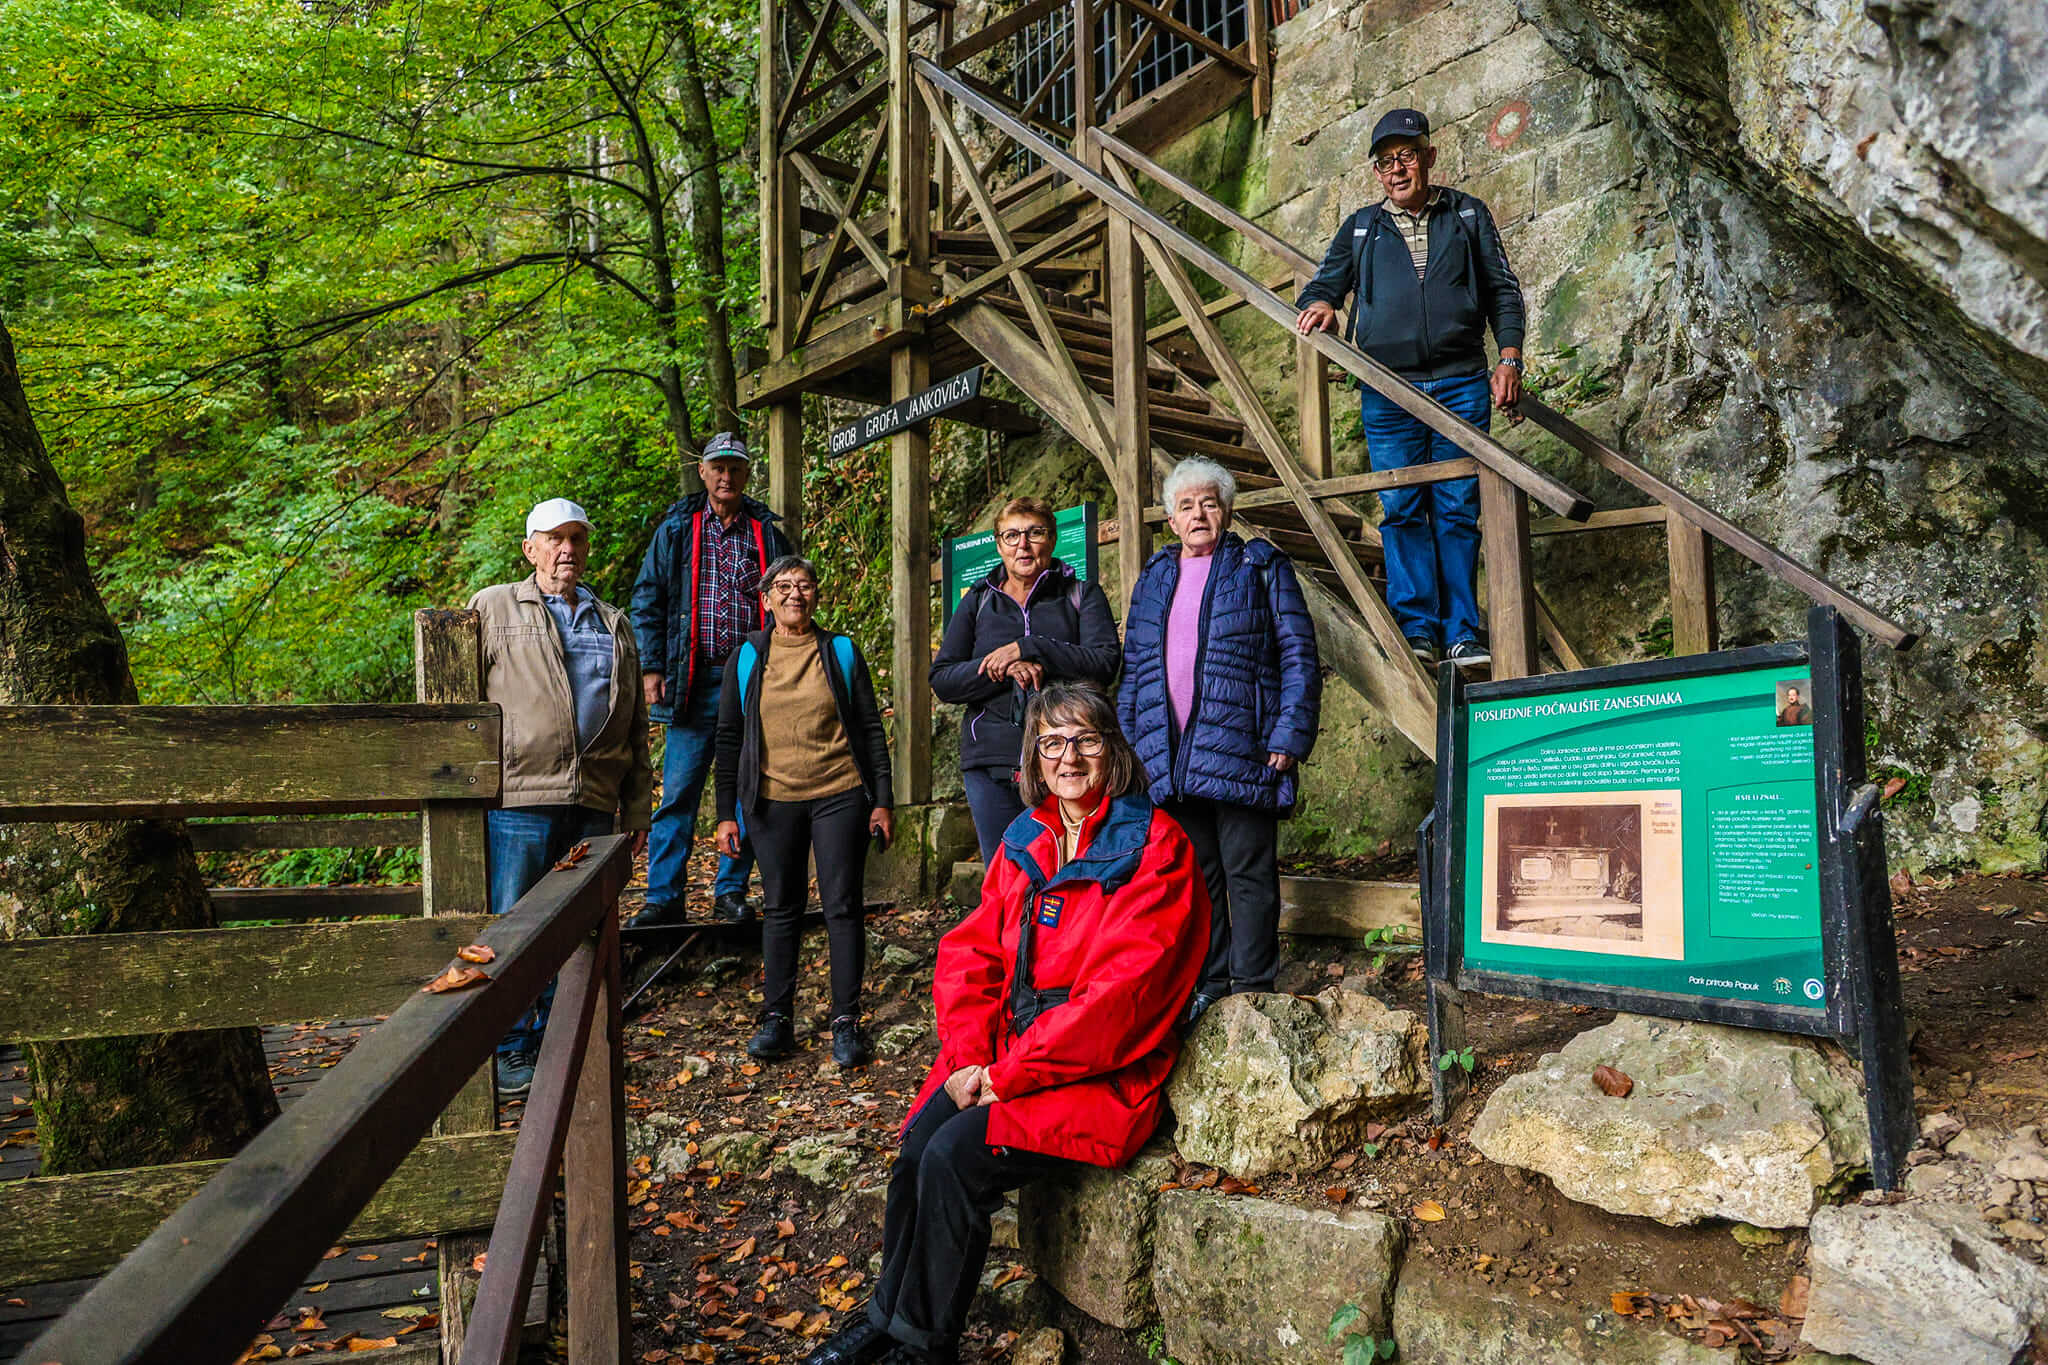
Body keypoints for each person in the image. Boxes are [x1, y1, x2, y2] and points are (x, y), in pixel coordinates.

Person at [802, 684, 1208, 1365]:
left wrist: (1003, 1076)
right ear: (1035, 755)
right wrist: (968, 1059)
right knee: (916, 1145)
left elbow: (1116, 1005)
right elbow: (972, 954)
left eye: (1085, 740)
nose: (1069, 757)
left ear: (1112, 750)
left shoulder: (1155, 846)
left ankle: (923, 1345)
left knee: (956, 1157)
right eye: (1053, 742)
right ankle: (886, 1318)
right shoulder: (1029, 835)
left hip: (1100, 1071)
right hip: (1007, 1054)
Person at [1294, 106, 1527, 670]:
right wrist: (1321, 302)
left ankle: (1462, 634)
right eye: (1384, 162)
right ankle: (1418, 629)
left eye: (1405, 156)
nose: (1395, 170)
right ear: (1376, 172)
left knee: (1456, 507)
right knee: (1401, 507)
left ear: (1429, 157)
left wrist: (1511, 358)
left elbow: (1502, 290)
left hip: (1461, 381)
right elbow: (1322, 286)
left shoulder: (1467, 214)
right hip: (1387, 390)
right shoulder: (1360, 227)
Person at [1119, 458, 1321, 1024]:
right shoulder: (1155, 577)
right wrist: (1132, 747)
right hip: (1172, 757)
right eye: (1187, 506)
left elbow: (1299, 655)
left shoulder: (1260, 567)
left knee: (1248, 873)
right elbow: (1135, 670)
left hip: (1242, 748)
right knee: (1198, 876)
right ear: (1170, 518)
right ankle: (1211, 981)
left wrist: (1289, 731)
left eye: (1209, 502)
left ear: (1227, 512)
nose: (1199, 514)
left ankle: (1252, 984)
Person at [469, 498, 652, 1098]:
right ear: (530, 548)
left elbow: (634, 726)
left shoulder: (613, 622)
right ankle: (510, 1049)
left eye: (576, 537)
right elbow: (460, 705)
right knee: (515, 925)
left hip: (595, 800)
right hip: (521, 796)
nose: (566, 549)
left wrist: (637, 806)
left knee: (582, 929)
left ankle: (561, 1039)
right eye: (553, 539)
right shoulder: (493, 606)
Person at [713, 556, 895, 1068]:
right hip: (771, 799)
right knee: (780, 906)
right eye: (784, 587)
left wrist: (881, 800)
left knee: (842, 904)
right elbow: (728, 738)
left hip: (839, 790)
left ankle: (846, 1020)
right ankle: (778, 1019)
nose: (796, 594)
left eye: (806, 586)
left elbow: (870, 730)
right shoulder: (748, 656)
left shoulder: (839, 651)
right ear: (766, 598)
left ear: (817, 595)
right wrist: (726, 812)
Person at [629, 432, 792, 928]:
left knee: (748, 789)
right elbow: (648, 598)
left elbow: (790, 597)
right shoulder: (679, 527)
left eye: (735, 468)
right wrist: (652, 667)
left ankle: (731, 891)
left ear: (746, 475)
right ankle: (663, 898)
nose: (726, 476)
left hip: (750, 680)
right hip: (691, 679)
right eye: (717, 467)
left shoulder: (765, 532)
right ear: (702, 471)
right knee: (678, 790)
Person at [929, 497, 1120, 864]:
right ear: (999, 544)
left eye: (1035, 533)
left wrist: (1031, 648)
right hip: (992, 761)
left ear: (1052, 539)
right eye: (1012, 535)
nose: (1023, 544)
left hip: (1069, 761)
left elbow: (1104, 663)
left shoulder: (1082, 595)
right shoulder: (979, 601)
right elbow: (943, 679)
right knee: (1006, 877)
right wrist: (1000, 665)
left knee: (1068, 872)